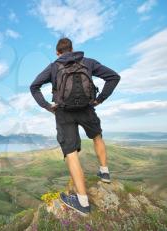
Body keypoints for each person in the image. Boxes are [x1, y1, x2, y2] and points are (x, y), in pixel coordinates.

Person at [29, 38, 120, 216]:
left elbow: (34, 86)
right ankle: (104, 172)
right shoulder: (88, 62)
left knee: (71, 153)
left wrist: (48, 106)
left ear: (58, 52)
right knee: (97, 137)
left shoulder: (54, 67)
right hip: (87, 108)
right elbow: (114, 77)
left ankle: (82, 202)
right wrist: (99, 99)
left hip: (63, 113)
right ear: (72, 49)